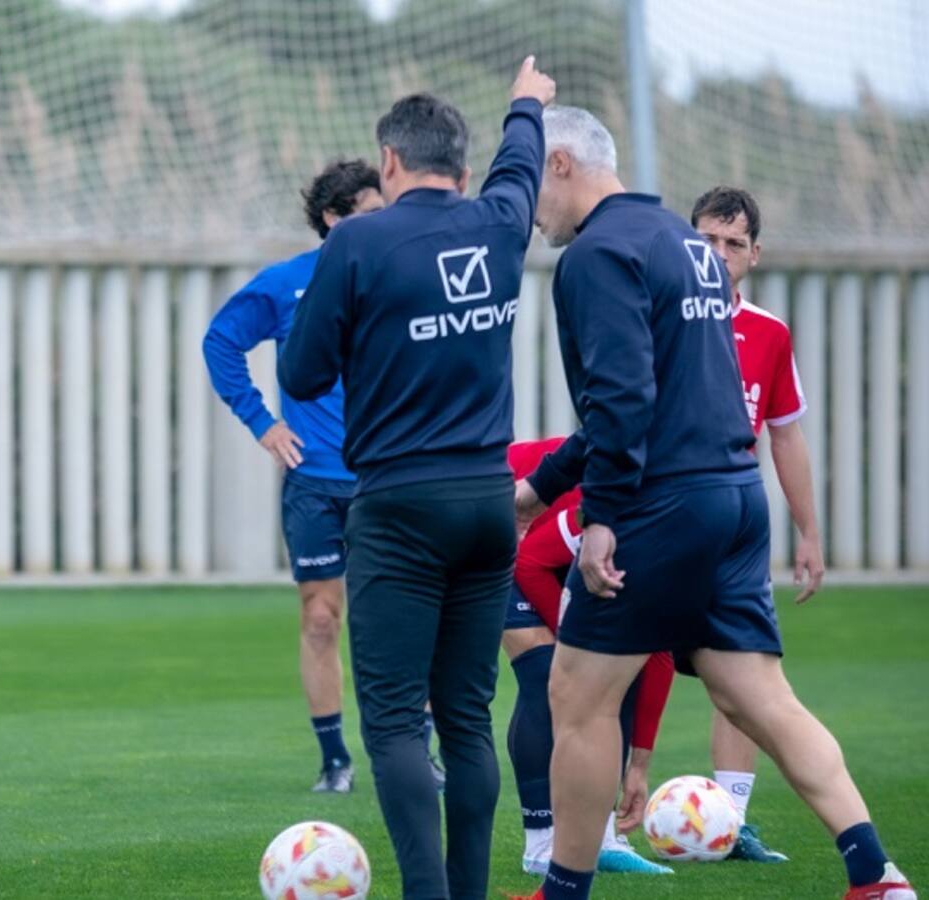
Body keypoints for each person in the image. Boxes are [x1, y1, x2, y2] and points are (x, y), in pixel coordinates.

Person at [517, 104, 915, 900]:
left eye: (531, 183)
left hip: (660, 506)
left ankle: (562, 890)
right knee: (761, 695)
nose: (530, 210)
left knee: (576, 693)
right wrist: (543, 487)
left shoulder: (597, 255)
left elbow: (624, 402)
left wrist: (599, 518)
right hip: (735, 497)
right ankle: (879, 876)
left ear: (560, 166)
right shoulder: (681, 243)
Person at [279, 56, 556, 900]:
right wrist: (525, 106)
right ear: (462, 170)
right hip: (486, 502)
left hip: (398, 505)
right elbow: (522, 168)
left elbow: (300, 373)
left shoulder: (359, 239)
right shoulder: (501, 222)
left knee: (397, 720)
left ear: (388, 164)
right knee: (467, 716)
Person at [202, 160, 383, 793]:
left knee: (395, 620)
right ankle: (335, 759)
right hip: (313, 481)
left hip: (386, 481)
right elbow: (220, 341)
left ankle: (418, 751)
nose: (384, 222)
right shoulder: (287, 284)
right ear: (334, 218)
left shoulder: (396, 277)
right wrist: (262, 423)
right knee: (320, 617)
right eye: (370, 211)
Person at [692, 184, 825, 863]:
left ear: (754, 254)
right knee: (610, 670)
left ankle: (728, 823)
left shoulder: (769, 334)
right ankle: (591, 830)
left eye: (733, 243)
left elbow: (786, 436)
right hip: (657, 517)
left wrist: (808, 531)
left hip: (734, 526)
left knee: (739, 672)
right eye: (707, 240)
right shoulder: (658, 317)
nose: (718, 255)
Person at [502, 438, 674, 879]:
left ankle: (602, 837)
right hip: (507, 534)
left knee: (615, 672)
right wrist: (574, 649)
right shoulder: (618, 503)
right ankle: (539, 842)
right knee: (545, 674)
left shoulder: (677, 532)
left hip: (560, 557)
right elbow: (529, 564)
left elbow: (658, 655)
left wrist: (640, 765)